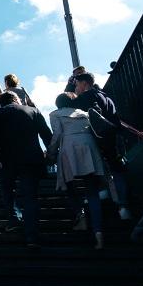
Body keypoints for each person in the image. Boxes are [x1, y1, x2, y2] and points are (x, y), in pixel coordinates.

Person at [0, 91, 52, 248]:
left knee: (7, 191)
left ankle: (13, 221)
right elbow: (46, 134)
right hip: (31, 159)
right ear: (17, 100)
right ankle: (31, 236)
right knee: (30, 197)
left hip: (7, 160)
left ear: (1, 103)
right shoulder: (33, 111)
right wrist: (51, 153)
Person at [46, 93, 106, 249]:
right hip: (89, 146)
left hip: (69, 147)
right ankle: (98, 232)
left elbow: (57, 134)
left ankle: (80, 215)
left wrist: (51, 153)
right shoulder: (84, 113)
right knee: (91, 190)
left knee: (68, 183)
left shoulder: (55, 114)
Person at [69, 73, 131, 220]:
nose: (76, 88)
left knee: (101, 169)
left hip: (98, 139)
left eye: (77, 85)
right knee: (117, 169)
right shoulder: (106, 97)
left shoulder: (86, 97)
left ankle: (105, 193)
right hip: (113, 137)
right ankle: (123, 205)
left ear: (84, 83)